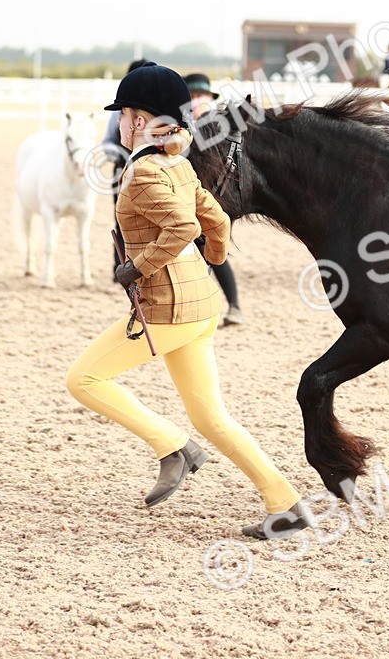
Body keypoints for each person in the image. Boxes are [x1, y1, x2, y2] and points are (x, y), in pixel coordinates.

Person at [65, 62, 309, 540]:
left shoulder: (143, 173)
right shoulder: (177, 163)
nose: (120, 123)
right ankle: (285, 504)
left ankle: (173, 446)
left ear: (139, 119)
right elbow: (215, 219)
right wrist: (212, 258)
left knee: (84, 379)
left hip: (169, 309)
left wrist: (136, 267)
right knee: (211, 417)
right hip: (200, 305)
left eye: (123, 114)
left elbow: (183, 227)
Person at [185, 72, 244, 327]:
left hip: (215, 198)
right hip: (188, 196)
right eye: (193, 95)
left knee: (215, 249)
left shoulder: (219, 126)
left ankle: (233, 306)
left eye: (202, 95)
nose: (197, 100)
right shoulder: (182, 125)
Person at [104, 59, 151, 281]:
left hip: (148, 168)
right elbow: (107, 143)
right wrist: (122, 155)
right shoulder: (118, 113)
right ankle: (120, 265)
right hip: (122, 170)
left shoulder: (156, 112)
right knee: (122, 220)